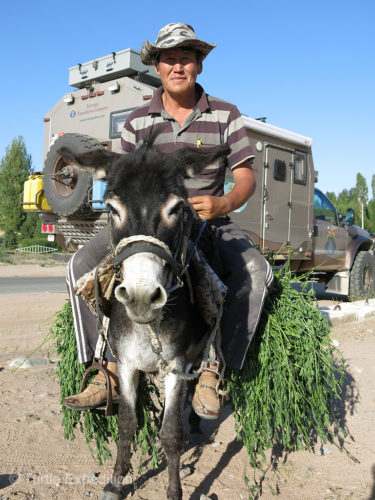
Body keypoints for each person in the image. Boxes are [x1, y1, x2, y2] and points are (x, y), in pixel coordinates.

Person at [63, 23, 274, 419]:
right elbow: (122, 180)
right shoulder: (137, 120)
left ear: (199, 65)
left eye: (186, 58)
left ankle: (214, 370)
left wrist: (223, 201)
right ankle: (104, 368)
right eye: (169, 59)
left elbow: (246, 177)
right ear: (157, 67)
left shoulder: (226, 114)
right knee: (79, 265)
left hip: (209, 218)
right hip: (148, 225)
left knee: (256, 271)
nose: (178, 66)